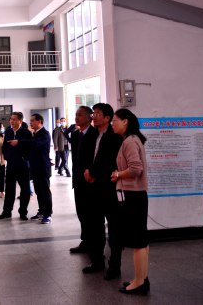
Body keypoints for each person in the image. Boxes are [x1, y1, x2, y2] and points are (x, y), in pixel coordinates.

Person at [110, 108, 149, 295]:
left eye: (115, 120)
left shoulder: (130, 141)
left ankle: (139, 283)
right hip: (136, 194)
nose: (112, 124)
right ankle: (141, 278)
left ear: (125, 121)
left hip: (133, 195)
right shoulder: (132, 139)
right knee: (141, 239)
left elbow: (135, 169)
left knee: (137, 240)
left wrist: (118, 174)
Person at [83, 103, 124, 279]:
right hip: (93, 187)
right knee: (94, 225)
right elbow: (87, 157)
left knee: (114, 227)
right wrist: (87, 171)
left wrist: (93, 174)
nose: (94, 116)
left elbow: (110, 162)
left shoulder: (114, 137)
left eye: (98, 114)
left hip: (109, 187)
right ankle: (97, 260)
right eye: (93, 113)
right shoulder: (92, 135)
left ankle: (114, 265)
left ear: (107, 118)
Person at [69, 106, 97, 254]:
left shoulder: (95, 134)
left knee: (91, 213)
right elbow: (75, 159)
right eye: (76, 115)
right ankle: (85, 241)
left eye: (79, 115)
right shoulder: (75, 135)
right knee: (81, 212)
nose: (76, 118)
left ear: (89, 117)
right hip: (78, 180)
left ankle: (94, 243)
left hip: (91, 180)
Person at [0, 112, 32, 220]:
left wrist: (20, 147)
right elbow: (5, 147)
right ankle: (7, 212)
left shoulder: (26, 132)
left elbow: (29, 146)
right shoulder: (8, 131)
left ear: (20, 121)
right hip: (11, 165)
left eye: (14, 119)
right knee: (9, 189)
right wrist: (7, 156)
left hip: (23, 165)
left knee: (25, 190)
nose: (12, 121)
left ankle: (23, 212)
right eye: (11, 119)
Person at [28, 113, 53, 224]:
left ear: (39, 121)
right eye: (30, 121)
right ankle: (41, 211)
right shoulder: (35, 133)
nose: (30, 123)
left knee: (45, 191)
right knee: (38, 191)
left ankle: (48, 214)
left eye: (32, 120)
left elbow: (35, 144)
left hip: (43, 167)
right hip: (35, 167)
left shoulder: (44, 134)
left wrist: (20, 142)